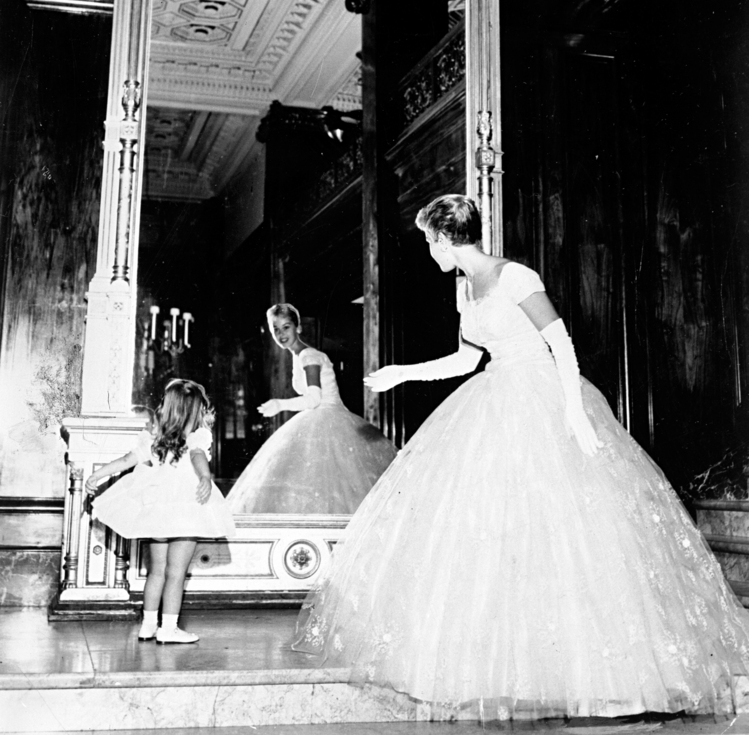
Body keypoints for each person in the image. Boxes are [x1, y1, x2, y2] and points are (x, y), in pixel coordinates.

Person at [293, 194, 749, 719]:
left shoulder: (515, 276)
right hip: (492, 394)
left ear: (444, 239)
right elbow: (464, 360)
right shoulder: (464, 288)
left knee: (568, 530)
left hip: (541, 393)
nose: (429, 249)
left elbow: (561, 343)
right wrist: (403, 373)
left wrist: (573, 410)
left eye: (428, 240)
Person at [85, 378, 235, 644]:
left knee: (156, 572)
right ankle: (168, 628)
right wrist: (204, 477)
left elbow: (126, 460)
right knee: (176, 574)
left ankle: (148, 625)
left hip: (157, 512)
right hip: (185, 513)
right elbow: (197, 455)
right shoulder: (197, 437)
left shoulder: (153, 440)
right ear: (195, 411)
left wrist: (98, 474)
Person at [227, 304, 397, 516]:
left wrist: (280, 405)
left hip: (328, 418)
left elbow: (315, 399)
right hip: (321, 417)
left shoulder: (308, 356)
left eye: (286, 327)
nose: (281, 334)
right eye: (275, 329)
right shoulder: (297, 355)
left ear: (298, 328)